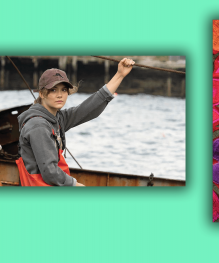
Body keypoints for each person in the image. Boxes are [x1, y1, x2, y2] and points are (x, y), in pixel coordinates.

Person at [16, 58, 135, 186]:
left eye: (63, 90)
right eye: (53, 90)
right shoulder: (38, 125)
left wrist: (120, 75)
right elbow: (49, 172)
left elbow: (89, 108)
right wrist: (75, 185)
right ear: (42, 94)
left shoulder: (57, 118)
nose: (60, 95)